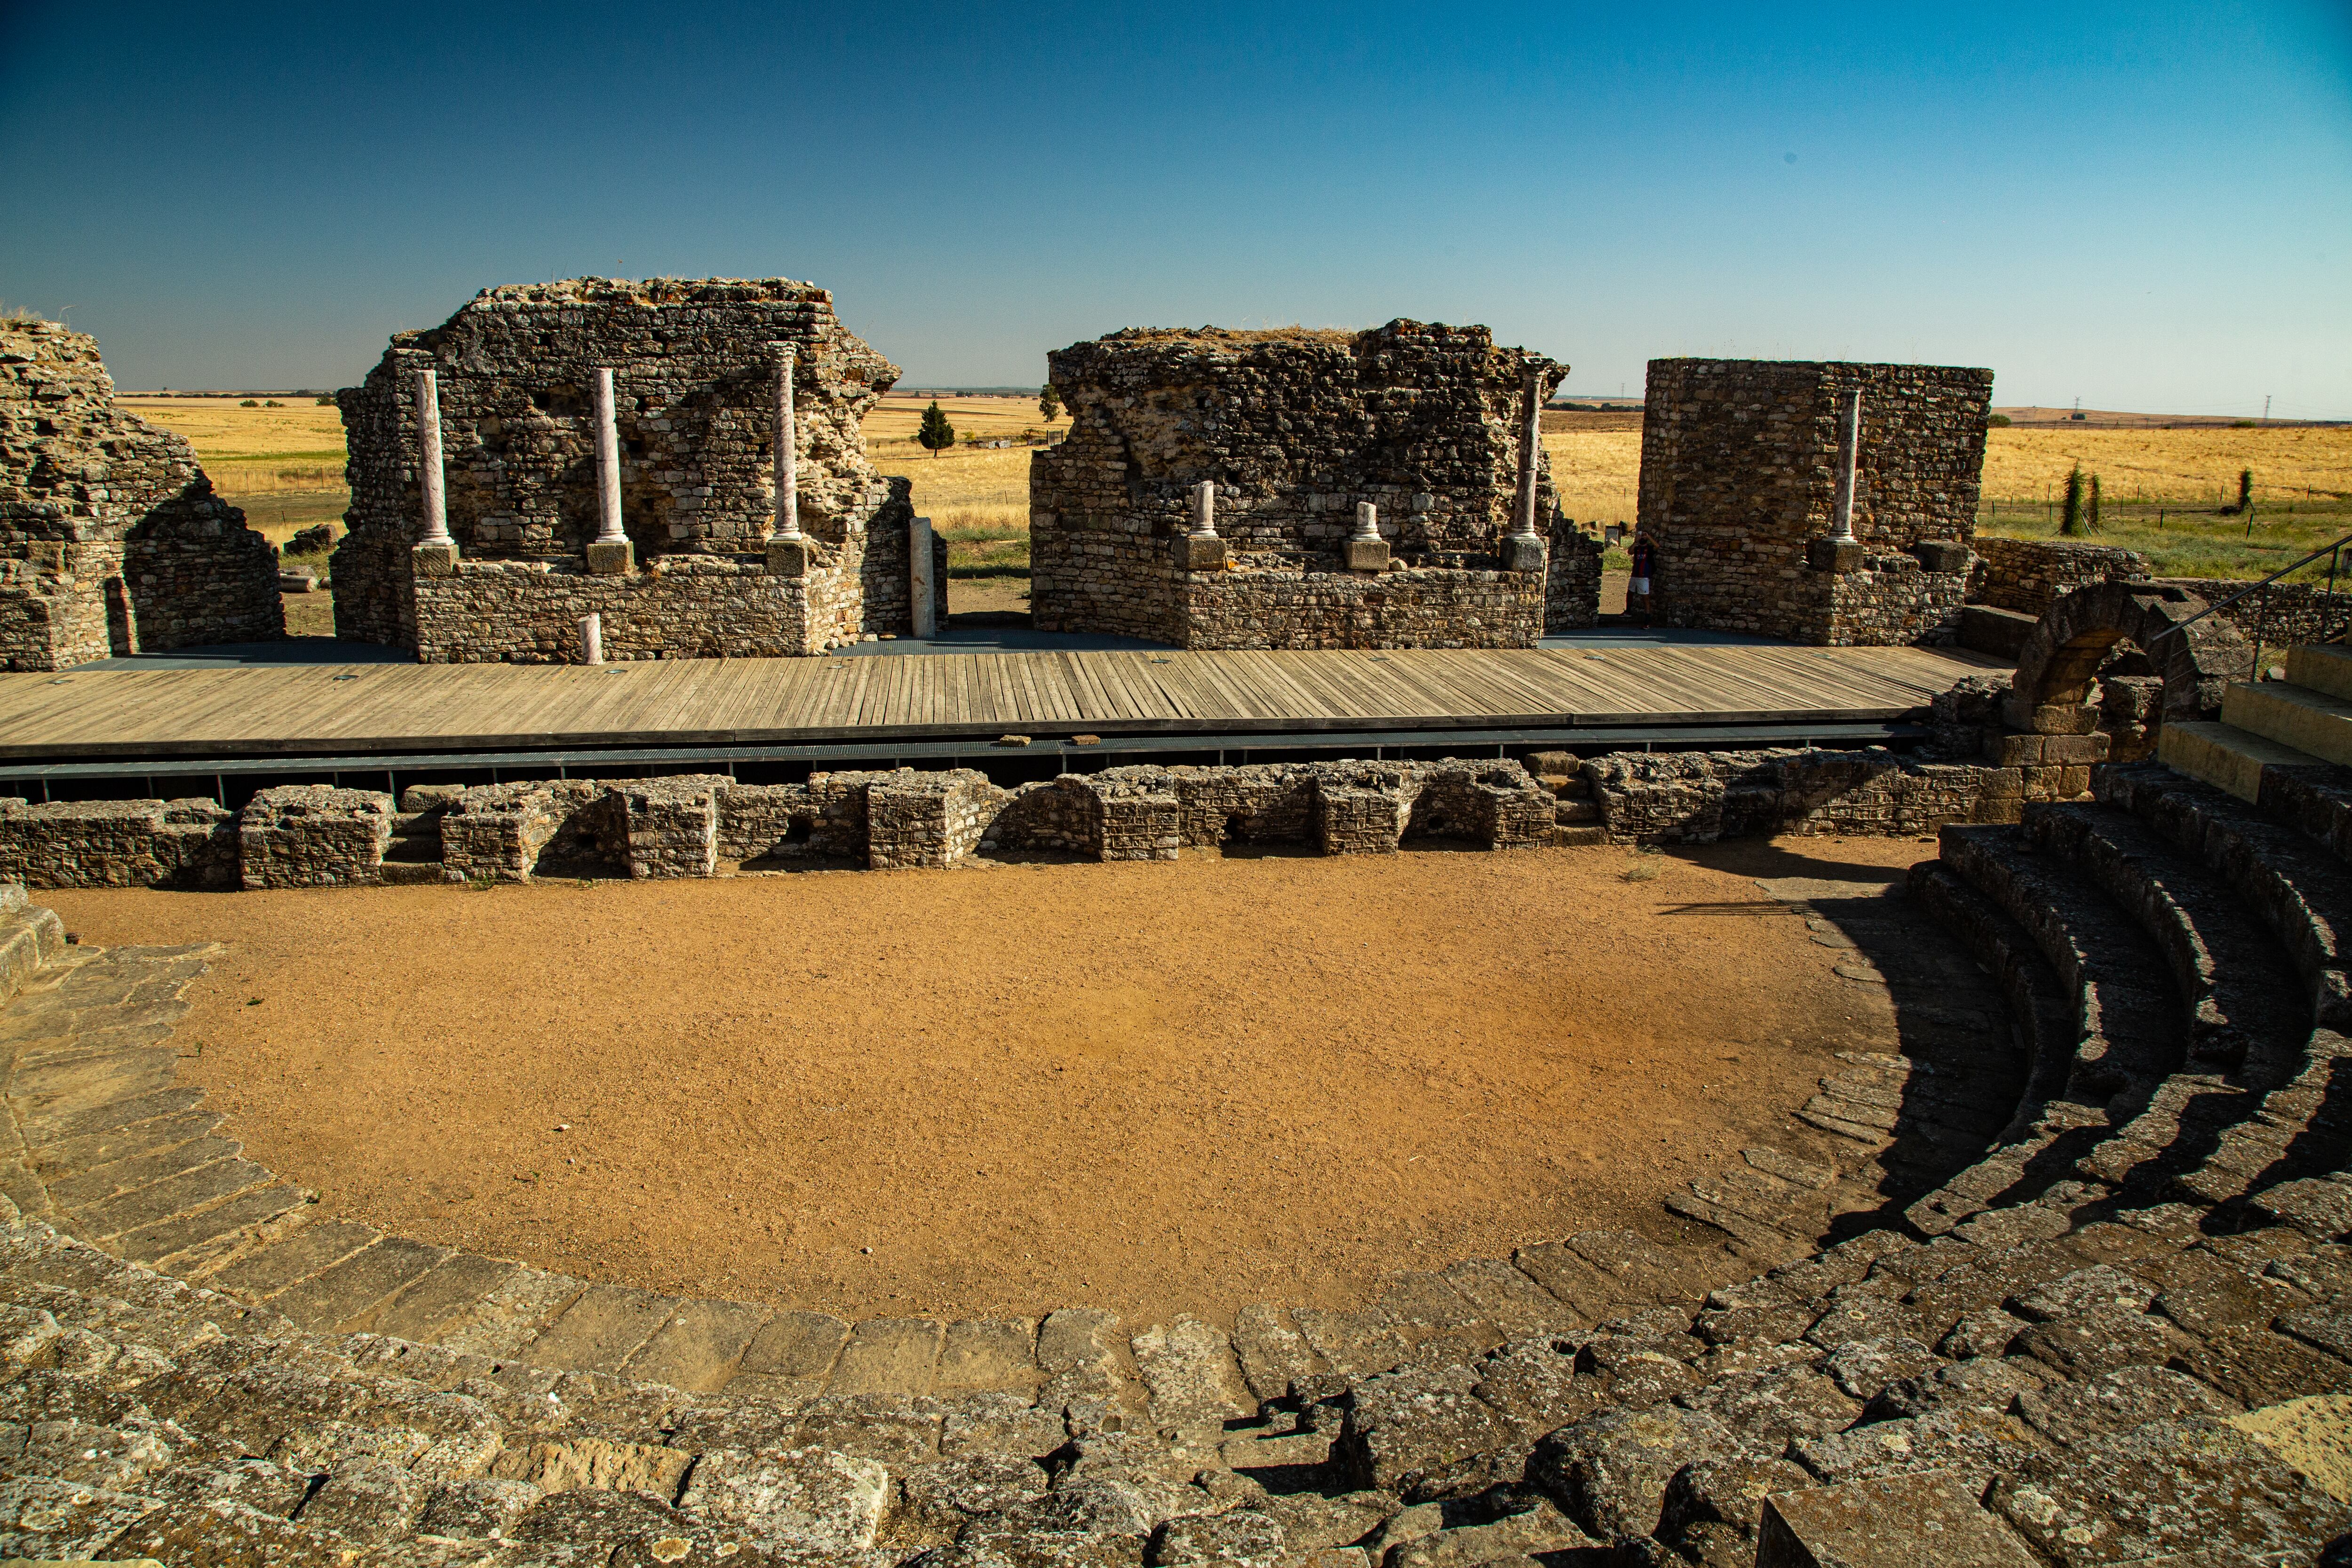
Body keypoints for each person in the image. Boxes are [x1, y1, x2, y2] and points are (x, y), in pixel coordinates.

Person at [1628, 536, 1656, 628]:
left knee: (1646, 598)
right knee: (1630, 592)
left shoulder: (1649, 549)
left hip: (1644, 576)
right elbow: (1630, 552)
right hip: (1635, 575)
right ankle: (1628, 611)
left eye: (1644, 536)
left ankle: (1647, 621)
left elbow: (1658, 546)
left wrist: (1648, 537)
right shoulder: (1637, 549)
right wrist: (1635, 542)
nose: (1642, 537)